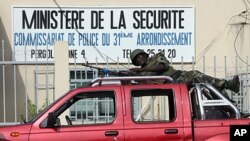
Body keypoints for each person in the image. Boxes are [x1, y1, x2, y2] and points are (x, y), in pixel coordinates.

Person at [129, 49, 240, 94]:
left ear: (145, 54)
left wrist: (142, 69)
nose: (139, 59)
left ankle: (232, 108)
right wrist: (133, 73)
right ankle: (228, 84)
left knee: (209, 88)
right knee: (195, 74)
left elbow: (162, 67)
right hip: (173, 83)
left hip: (179, 76)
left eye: (140, 56)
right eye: (136, 60)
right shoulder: (141, 74)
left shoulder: (157, 57)